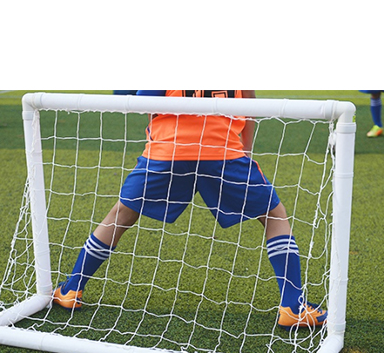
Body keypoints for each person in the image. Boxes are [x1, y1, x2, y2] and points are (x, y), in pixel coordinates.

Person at [52, 90, 326, 329]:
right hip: (223, 153)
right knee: (274, 215)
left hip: (168, 151)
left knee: (121, 215)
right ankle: (293, 306)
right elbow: (249, 103)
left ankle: (72, 289)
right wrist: (246, 150)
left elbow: (143, 102)